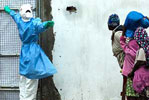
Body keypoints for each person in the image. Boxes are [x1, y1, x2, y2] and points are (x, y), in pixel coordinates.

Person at [4, 4, 57, 100]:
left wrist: (9, 11)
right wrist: (45, 25)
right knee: (30, 78)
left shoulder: (20, 20)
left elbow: (15, 16)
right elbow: (39, 26)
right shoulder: (33, 22)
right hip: (33, 52)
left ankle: (23, 98)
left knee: (24, 77)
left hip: (25, 51)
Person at [108, 14, 125, 100]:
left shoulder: (117, 33)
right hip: (123, 61)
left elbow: (126, 41)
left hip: (125, 61)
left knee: (127, 82)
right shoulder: (117, 31)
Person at [129, 27, 149, 99]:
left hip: (141, 77)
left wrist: (132, 72)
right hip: (147, 75)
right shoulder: (147, 47)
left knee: (142, 96)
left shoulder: (142, 49)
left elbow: (140, 61)